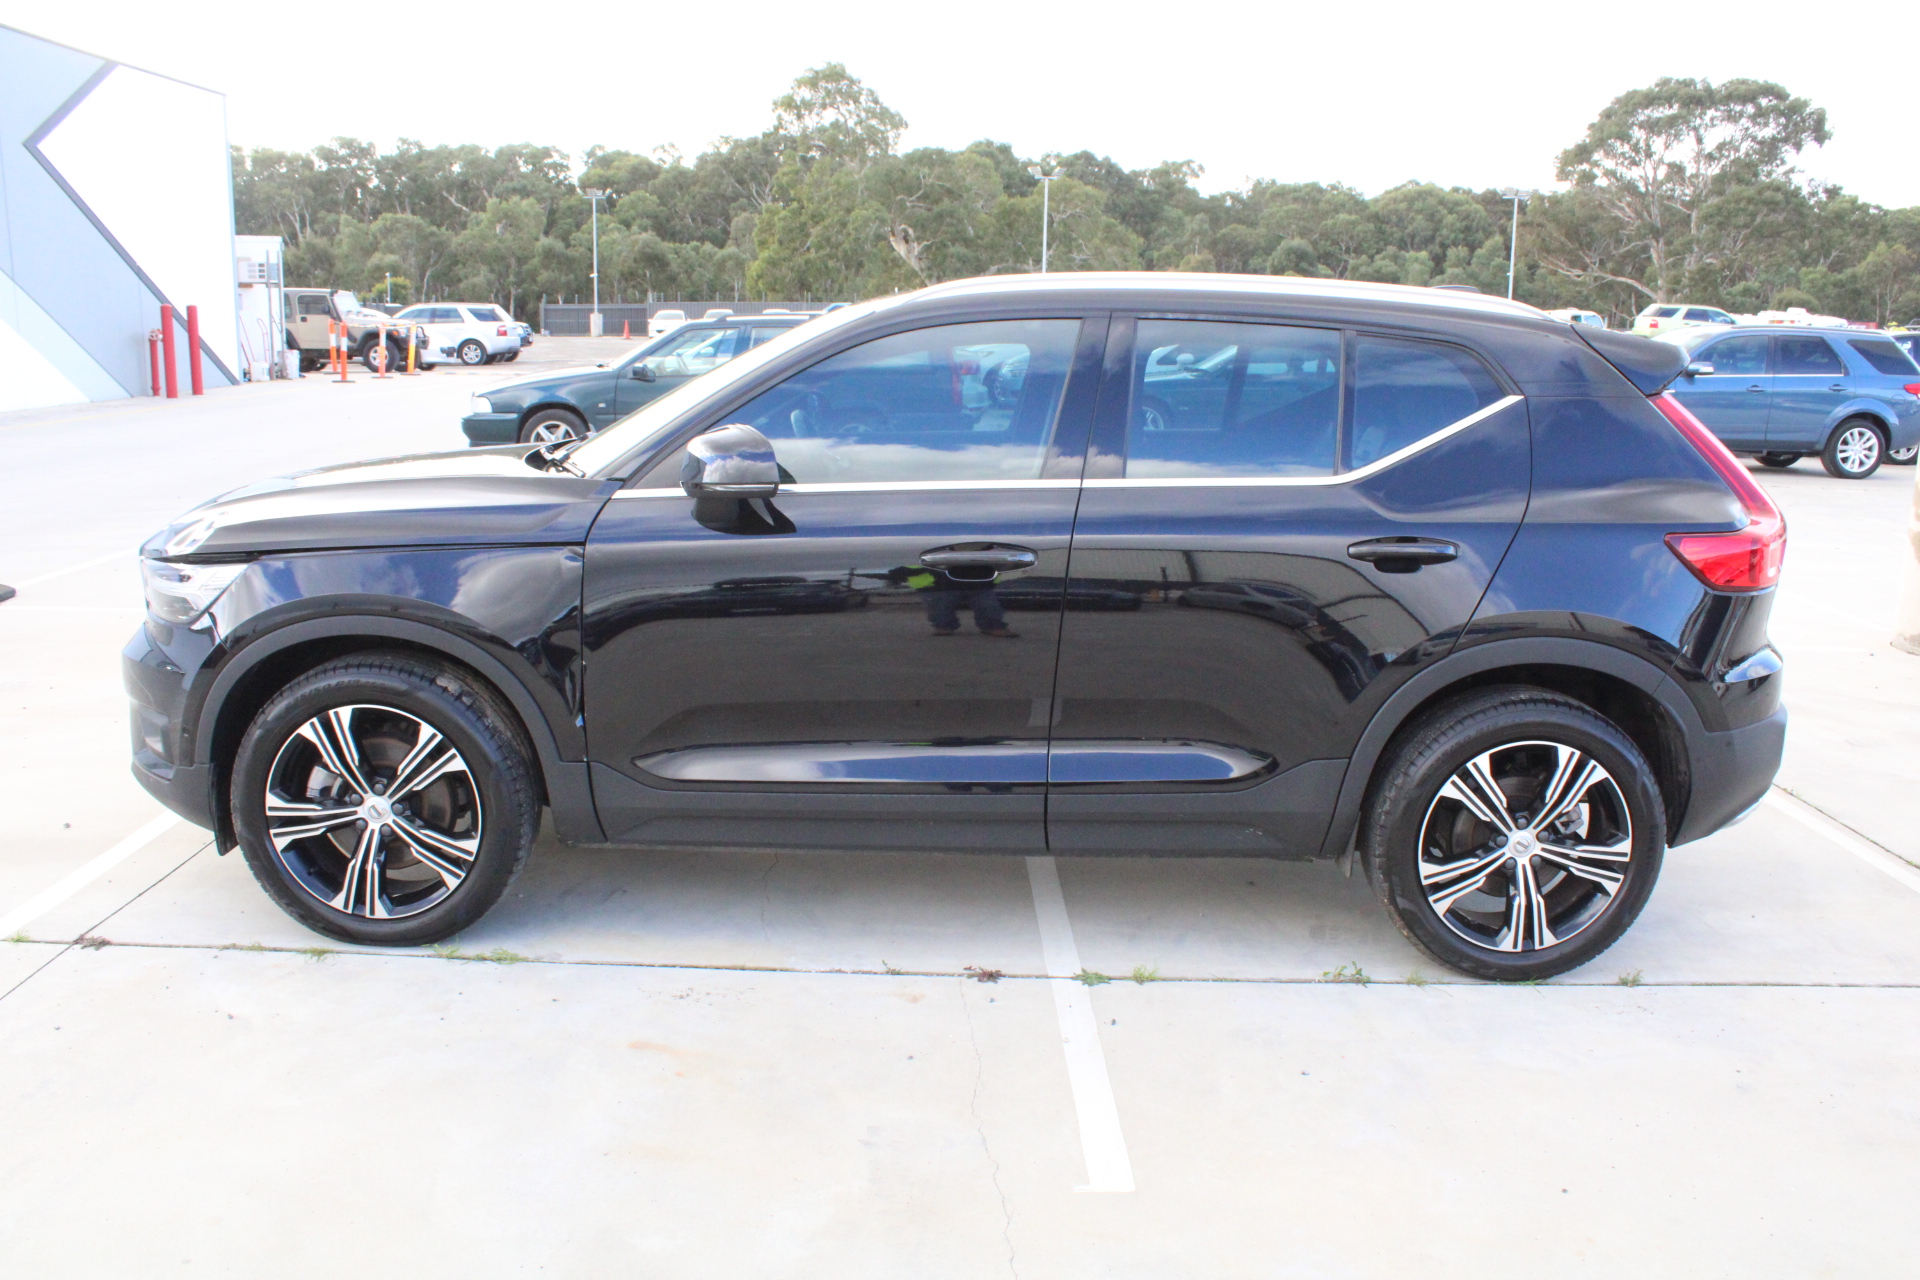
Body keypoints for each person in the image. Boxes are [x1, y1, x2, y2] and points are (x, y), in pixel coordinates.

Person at [886, 565, 1019, 638]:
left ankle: (994, 627)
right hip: (939, 585)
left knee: (988, 606)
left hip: (978, 583)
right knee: (939, 609)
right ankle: (944, 626)